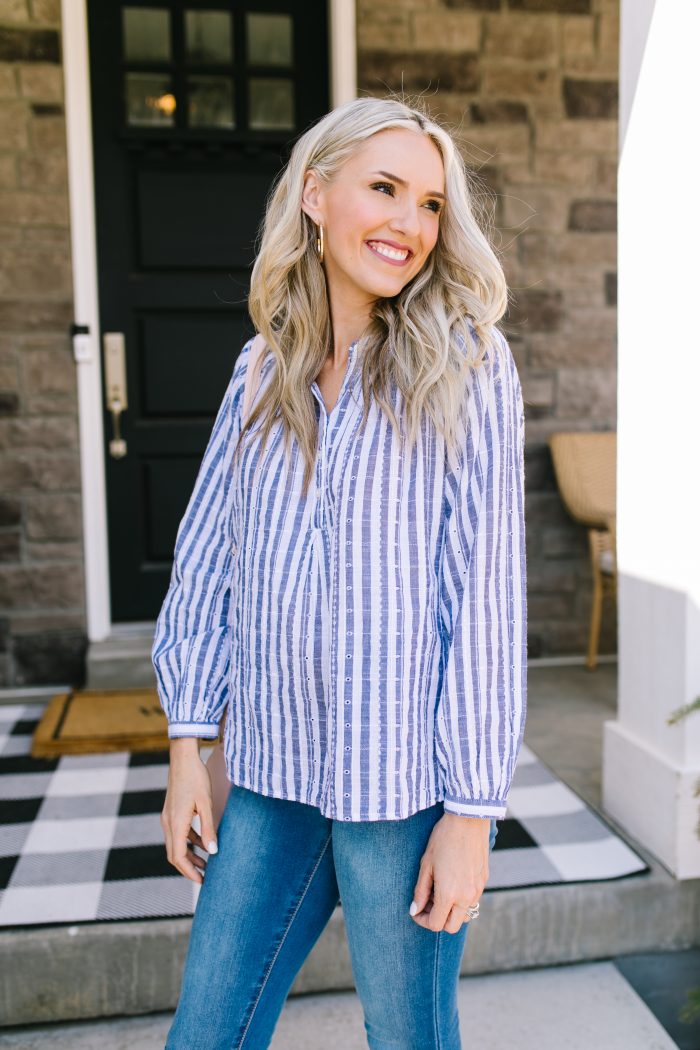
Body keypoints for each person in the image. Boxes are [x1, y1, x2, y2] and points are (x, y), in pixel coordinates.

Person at [152, 94, 527, 1050]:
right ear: (316, 195)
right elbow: (207, 559)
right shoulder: (259, 371)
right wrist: (189, 747)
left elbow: (481, 597)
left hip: (400, 793)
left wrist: (473, 814)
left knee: (407, 1039)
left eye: (431, 204)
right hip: (273, 777)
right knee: (205, 1035)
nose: (409, 223)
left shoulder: (470, 364)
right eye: (386, 189)